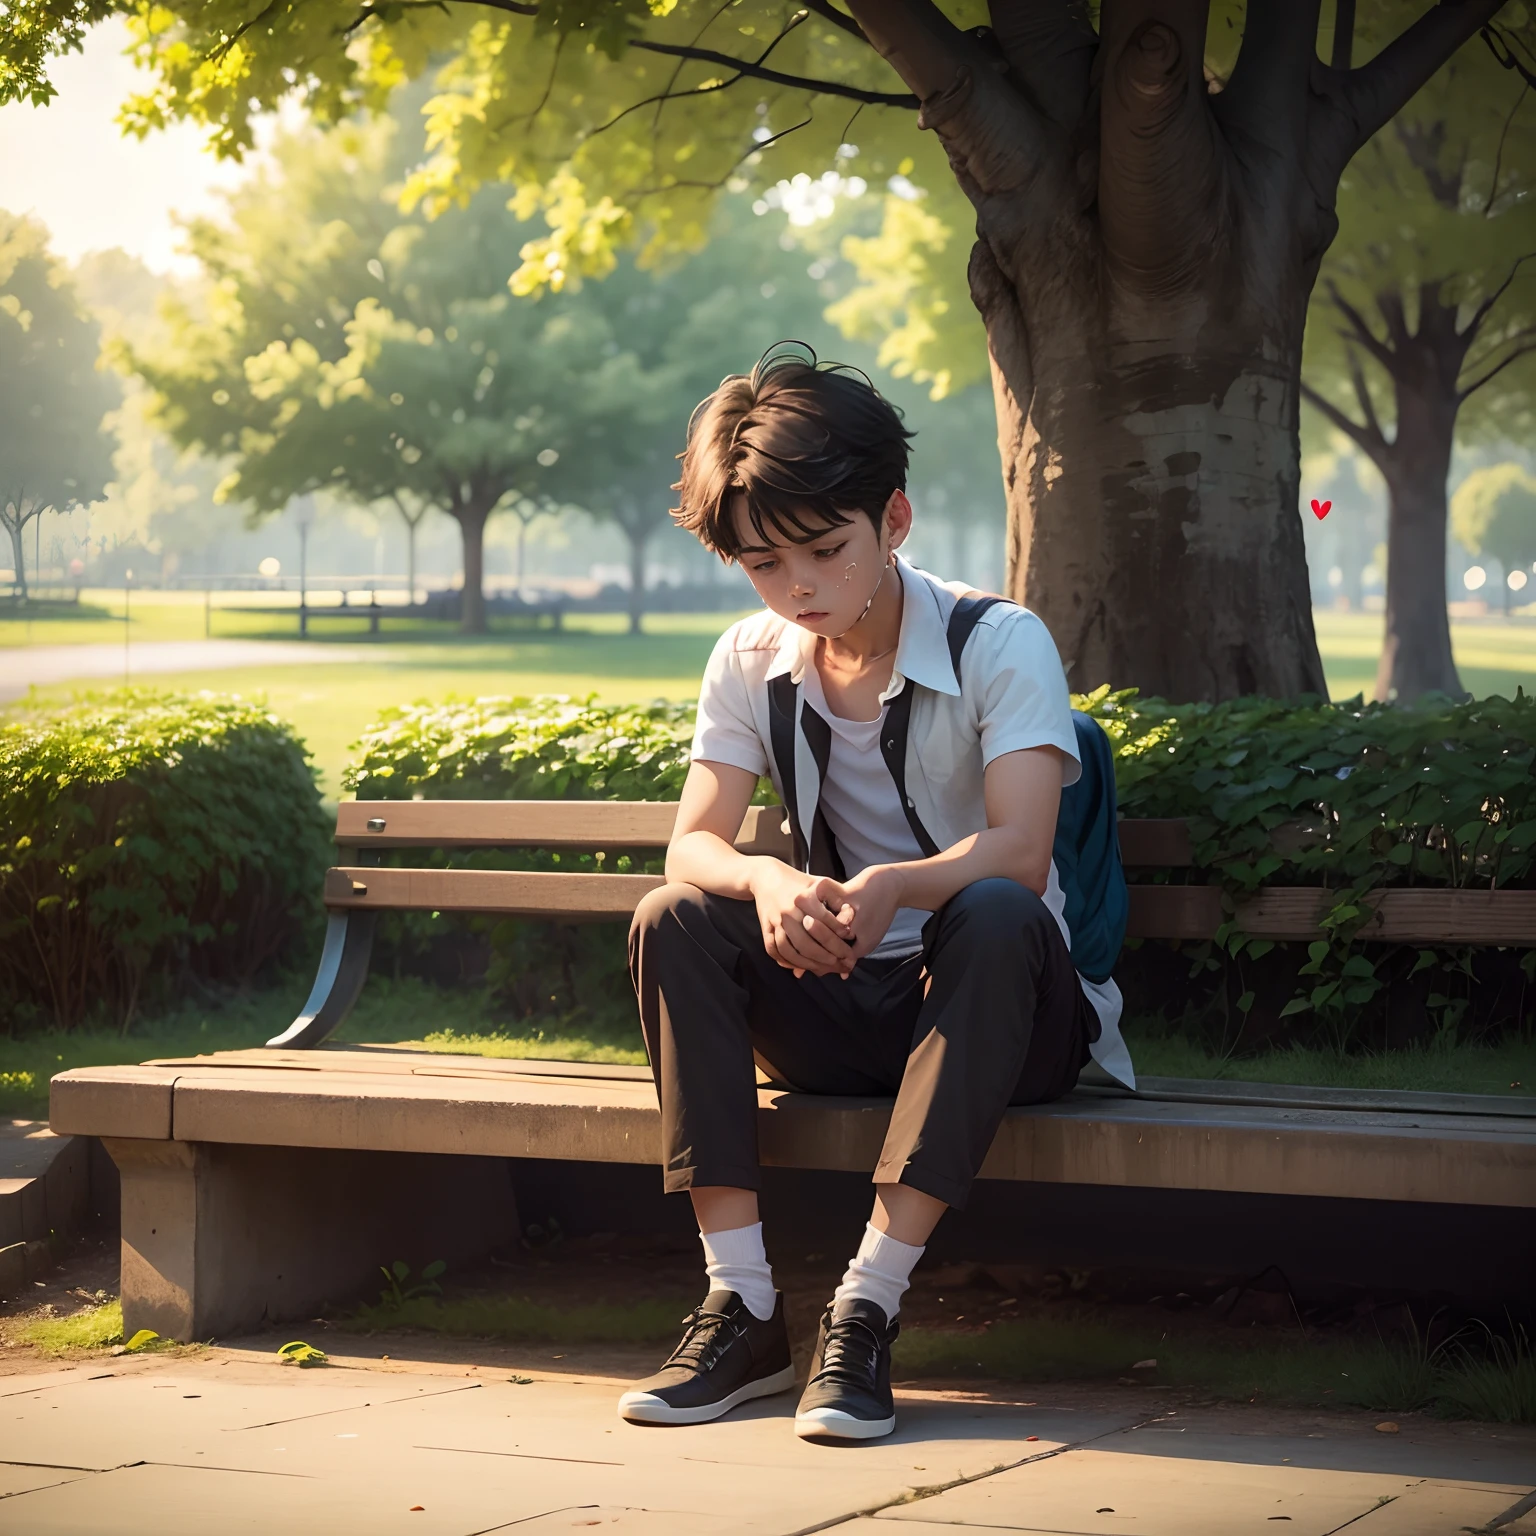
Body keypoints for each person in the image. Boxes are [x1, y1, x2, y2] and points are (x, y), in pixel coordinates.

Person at [619, 342, 1133, 1442]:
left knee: (992, 908)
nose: (798, 587)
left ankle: (867, 1306)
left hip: (1005, 1014)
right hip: (848, 1006)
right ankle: (742, 1304)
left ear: (892, 520)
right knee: (677, 917)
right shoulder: (749, 659)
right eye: (763, 565)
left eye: (822, 549)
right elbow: (691, 846)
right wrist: (763, 878)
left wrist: (898, 885)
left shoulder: (1002, 642)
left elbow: (1023, 850)